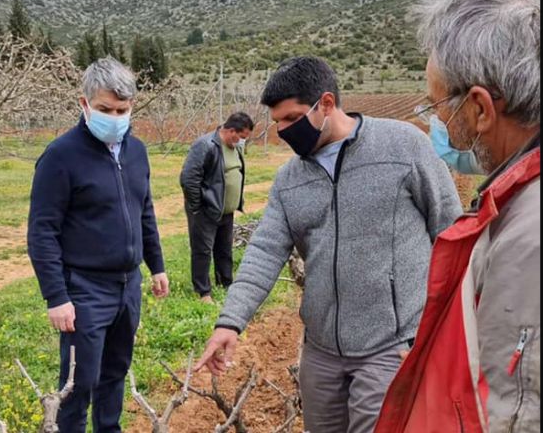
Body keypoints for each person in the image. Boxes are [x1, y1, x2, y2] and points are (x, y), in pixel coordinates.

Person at [194, 56, 463, 433]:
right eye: (278, 122)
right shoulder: (290, 179)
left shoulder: (403, 147)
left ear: (326, 104)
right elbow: (265, 252)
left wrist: (445, 330)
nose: (284, 131)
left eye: (292, 118)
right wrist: (230, 322)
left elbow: (451, 231)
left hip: (390, 345)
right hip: (321, 354)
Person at [375, 0, 540, 432]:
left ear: (481, 108)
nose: (439, 122)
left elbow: (514, 415)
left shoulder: (529, 238)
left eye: (439, 106)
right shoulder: (516, 205)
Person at [27, 57, 169, 433]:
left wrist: (156, 265)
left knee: (116, 371)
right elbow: (42, 232)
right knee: (80, 381)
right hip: (85, 288)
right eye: (105, 109)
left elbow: (145, 211)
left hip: (128, 285)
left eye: (122, 109)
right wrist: (56, 296)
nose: (115, 116)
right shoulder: (61, 156)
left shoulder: (136, 151)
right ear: (84, 104)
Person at [179, 112, 254, 303]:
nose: (242, 142)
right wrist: (197, 207)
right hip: (206, 210)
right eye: (242, 137)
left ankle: (225, 283)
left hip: (225, 211)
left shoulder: (234, 148)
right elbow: (189, 178)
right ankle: (203, 291)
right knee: (203, 251)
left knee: (224, 250)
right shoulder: (205, 145)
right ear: (230, 131)